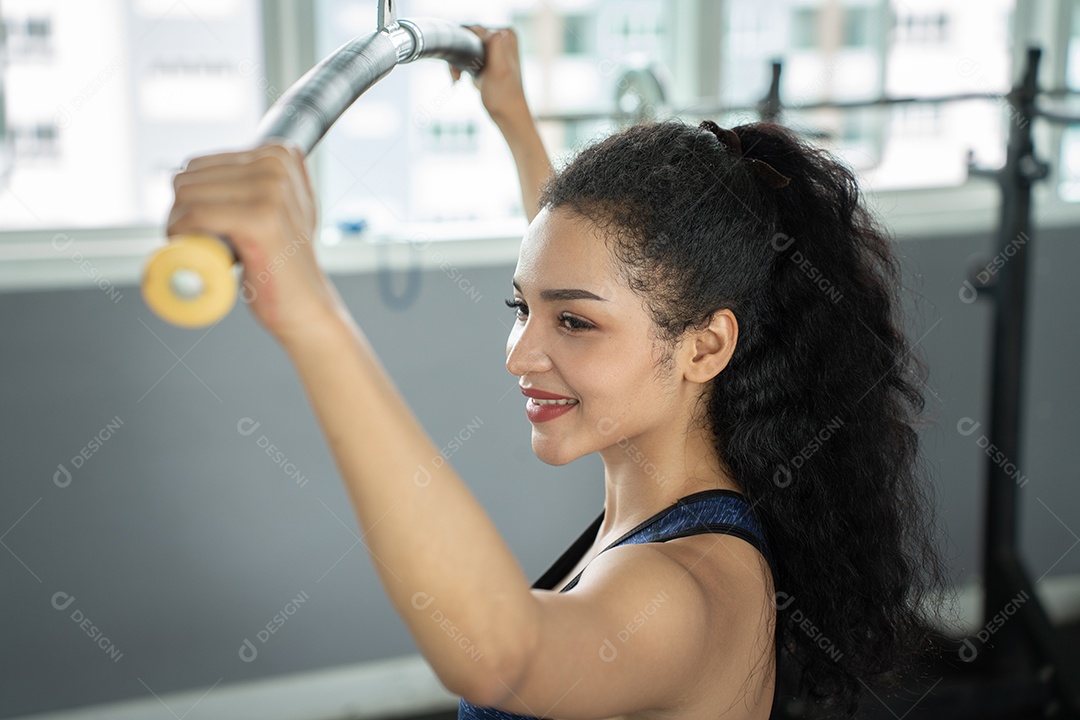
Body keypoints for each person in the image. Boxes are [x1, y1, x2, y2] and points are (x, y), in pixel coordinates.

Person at [166, 25, 950, 720]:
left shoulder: (680, 592)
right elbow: (595, 274)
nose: (520, 353)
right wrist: (512, 116)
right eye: (520, 309)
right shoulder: (661, 483)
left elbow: (502, 657)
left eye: (571, 323)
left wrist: (309, 313)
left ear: (705, 347)